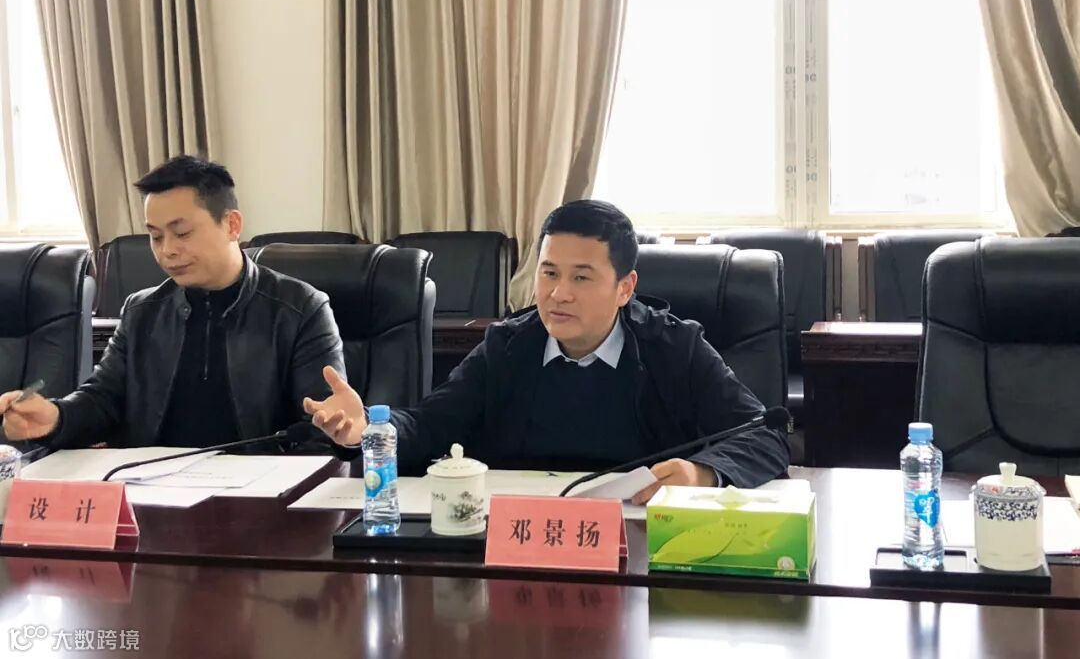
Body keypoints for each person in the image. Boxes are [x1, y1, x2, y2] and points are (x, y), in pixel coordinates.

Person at [306, 200, 788, 502]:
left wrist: (702, 473)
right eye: (549, 273)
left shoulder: (674, 347)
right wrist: (369, 428)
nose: (559, 294)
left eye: (581, 277)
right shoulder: (509, 345)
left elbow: (764, 434)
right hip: (523, 539)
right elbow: (431, 424)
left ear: (625, 287)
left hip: (639, 543)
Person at [0, 155, 344, 450]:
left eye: (182, 233)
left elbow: (321, 426)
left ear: (231, 225)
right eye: (155, 236)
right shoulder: (141, 311)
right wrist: (55, 418)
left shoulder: (300, 308)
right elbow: (102, 399)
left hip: (263, 493)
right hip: (153, 490)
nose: (167, 251)